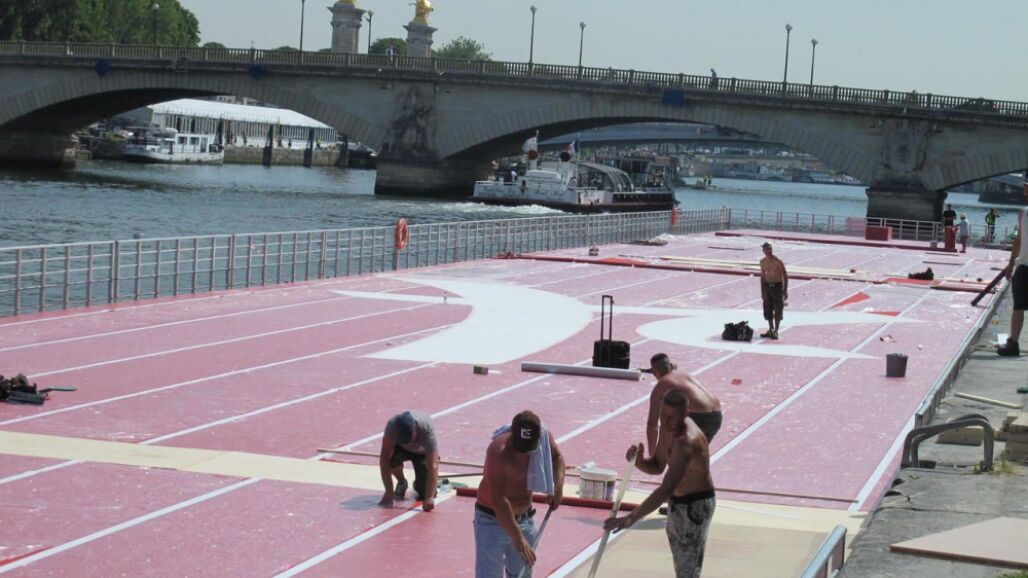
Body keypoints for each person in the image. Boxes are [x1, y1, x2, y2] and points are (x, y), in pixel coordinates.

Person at [605, 390, 715, 578]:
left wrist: (632, 517)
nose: (665, 421)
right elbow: (657, 465)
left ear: (685, 415)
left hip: (694, 506)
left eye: (671, 417)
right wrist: (639, 461)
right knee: (681, 566)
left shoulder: (686, 442)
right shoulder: (667, 429)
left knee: (688, 571)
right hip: (677, 503)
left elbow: (667, 487)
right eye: (663, 415)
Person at [475, 411, 564, 578]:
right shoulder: (498, 450)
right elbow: (498, 499)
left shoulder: (545, 438)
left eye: (528, 448)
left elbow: (557, 457)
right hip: (492, 520)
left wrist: (557, 488)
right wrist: (519, 539)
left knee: (522, 575)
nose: (523, 454)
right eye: (520, 448)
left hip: (525, 519)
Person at [645, 354, 723, 451]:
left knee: (676, 452)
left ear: (654, 373)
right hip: (716, 416)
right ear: (671, 366)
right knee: (696, 455)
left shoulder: (661, 386)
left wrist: (652, 454)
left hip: (699, 417)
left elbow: (652, 425)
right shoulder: (685, 375)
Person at [378, 410, 439, 512]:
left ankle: (419, 485)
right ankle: (402, 482)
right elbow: (384, 460)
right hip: (401, 449)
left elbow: (433, 465)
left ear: (415, 429)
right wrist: (388, 492)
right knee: (391, 461)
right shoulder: (392, 427)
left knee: (423, 493)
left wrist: (429, 497)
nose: (409, 443)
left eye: (409, 439)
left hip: (421, 453)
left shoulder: (426, 428)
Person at [998, 208, 1027, 357]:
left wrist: (1010, 264)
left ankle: (1013, 344)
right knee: (1018, 306)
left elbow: (1019, 240)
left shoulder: (1024, 213)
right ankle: (1012, 343)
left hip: (1025, 266)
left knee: (1018, 307)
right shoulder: (1023, 213)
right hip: (1024, 266)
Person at [759, 242, 788, 339]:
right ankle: (771, 329)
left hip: (777, 287)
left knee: (778, 309)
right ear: (763, 250)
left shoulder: (778, 262)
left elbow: (785, 276)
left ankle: (776, 331)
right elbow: (763, 277)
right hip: (767, 286)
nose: (768, 251)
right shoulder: (762, 262)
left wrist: (785, 290)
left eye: (769, 249)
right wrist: (762, 291)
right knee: (768, 309)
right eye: (766, 249)